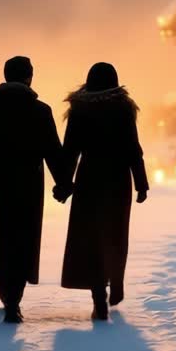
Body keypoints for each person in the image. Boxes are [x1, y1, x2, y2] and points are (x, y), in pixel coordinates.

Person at [0, 56, 70, 324]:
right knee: (23, 237)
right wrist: (63, 183)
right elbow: (52, 151)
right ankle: (15, 298)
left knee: (0, 235)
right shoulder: (40, 111)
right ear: (29, 77)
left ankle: (5, 293)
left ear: (5, 76)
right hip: (28, 181)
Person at [54, 62, 148, 321]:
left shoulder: (80, 109)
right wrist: (141, 183)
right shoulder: (123, 108)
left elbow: (70, 150)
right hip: (118, 180)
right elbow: (133, 147)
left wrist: (64, 184)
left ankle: (99, 297)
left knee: (91, 239)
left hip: (90, 180)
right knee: (115, 234)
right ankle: (115, 281)